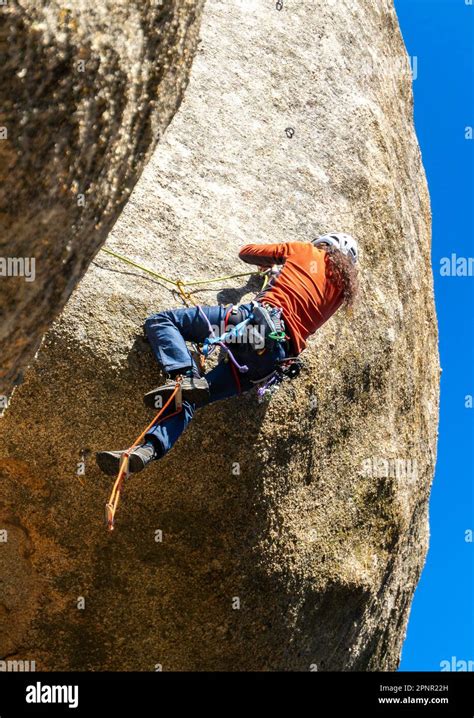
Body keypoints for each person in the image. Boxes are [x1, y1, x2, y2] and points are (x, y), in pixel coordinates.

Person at [96, 233, 359, 475]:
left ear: (325, 244)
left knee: (162, 322)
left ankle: (183, 376)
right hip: (270, 363)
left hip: (251, 325)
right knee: (190, 399)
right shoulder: (339, 295)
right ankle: (147, 450)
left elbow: (248, 252)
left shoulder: (304, 250)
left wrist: (269, 267)